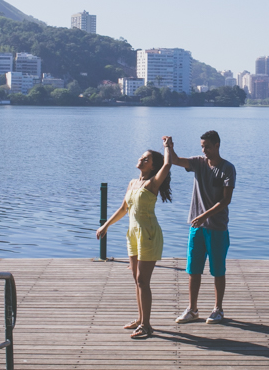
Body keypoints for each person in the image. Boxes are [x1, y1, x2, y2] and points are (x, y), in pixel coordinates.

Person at [96, 145, 172, 339]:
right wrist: (106, 226)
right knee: (137, 281)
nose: (142, 159)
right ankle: (140, 320)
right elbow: (123, 209)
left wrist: (167, 147)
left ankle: (147, 325)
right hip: (133, 234)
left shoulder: (152, 183)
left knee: (142, 280)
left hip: (148, 234)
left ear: (153, 166)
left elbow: (168, 163)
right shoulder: (132, 183)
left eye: (146, 159)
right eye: (142, 157)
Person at [164, 131, 236, 325]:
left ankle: (218, 309)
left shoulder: (227, 169)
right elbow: (176, 161)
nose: (204, 151)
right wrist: (169, 147)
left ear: (217, 145)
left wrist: (204, 215)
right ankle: (192, 309)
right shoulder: (199, 163)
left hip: (217, 228)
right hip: (197, 228)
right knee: (193, 270)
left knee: (218, 270)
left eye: (207, 147)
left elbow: (226, 200)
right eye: (202, 147)